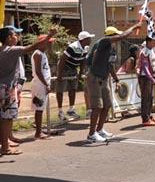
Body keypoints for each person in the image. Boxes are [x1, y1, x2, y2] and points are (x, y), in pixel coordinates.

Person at [0, 26, 57, 155]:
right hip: (7, 89)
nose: (17, 37)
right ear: (8, 38)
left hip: (3, 88)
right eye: (15, 35)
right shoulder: (11, 50)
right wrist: (49, 35)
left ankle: (5, 143)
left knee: (4, 118)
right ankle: (5, 147)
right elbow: (32, 47)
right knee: (6, 118)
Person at [86, 23, 142, 143]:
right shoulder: (104, 42)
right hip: (95, 78)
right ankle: (91, 134)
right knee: (97, 107)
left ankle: (100, 130)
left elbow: (110, 65)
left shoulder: (111, 50)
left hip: (104, 79)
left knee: (107, 105)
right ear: (111, 36)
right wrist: (134, 27)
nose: (117, 38)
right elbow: (123, 36)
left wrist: (116, 80)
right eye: (115, 35)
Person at [56, 31, 94, 121]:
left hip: (73, 68)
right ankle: (60, 111)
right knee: (60, 89)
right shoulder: (72, 47)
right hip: (64, 68)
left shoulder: (86, 48)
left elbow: (83, 60)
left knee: (73, 89)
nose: (90, 40)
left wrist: (80, 73)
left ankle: (71, 109)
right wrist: (59, 74)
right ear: (84, 40)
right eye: (89, 38)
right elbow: (62, 60)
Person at [31, 35, 56, 140]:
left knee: (40, 108)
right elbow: (38, 71)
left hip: (42, 84)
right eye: (48, 42)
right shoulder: (38, 54)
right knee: (39, 108)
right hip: (39, 85)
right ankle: (38, 132)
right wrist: (46, 84)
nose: (50, 44)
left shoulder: (42, 53)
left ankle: (39, 130)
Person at [139, 35, 155, 126]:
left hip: (150, 77)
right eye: (153, 41)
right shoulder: (144, 52)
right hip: (145, 77)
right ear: (148, 42)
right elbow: (145, 67)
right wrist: (152, 78)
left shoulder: (151, 51)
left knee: (150, 98)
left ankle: (149, 115)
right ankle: (145, 119)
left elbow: (153, 64)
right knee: (146, 98)